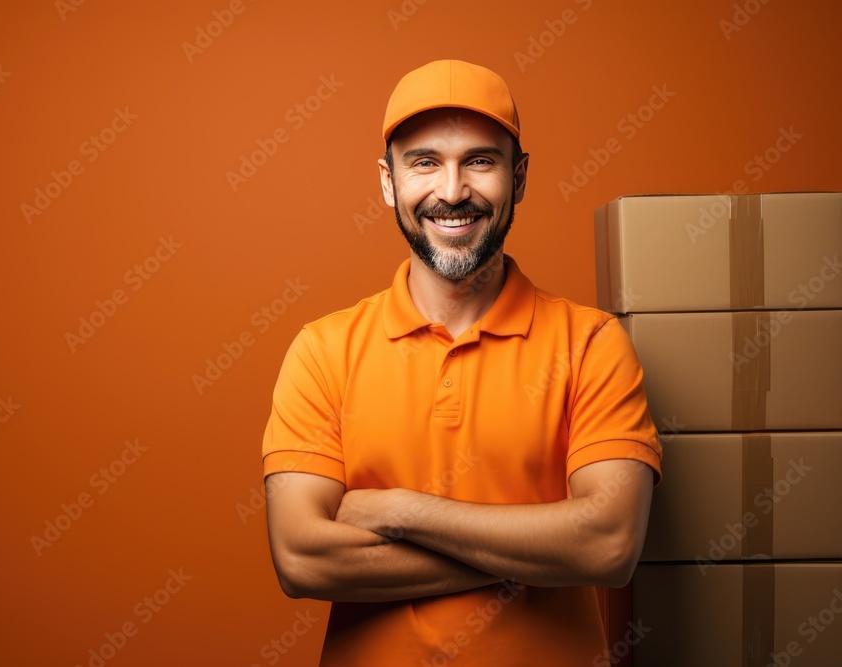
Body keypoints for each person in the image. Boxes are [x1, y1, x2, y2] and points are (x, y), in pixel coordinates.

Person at [260, 59, 662, 666]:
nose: (451, 192)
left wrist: (402, 511)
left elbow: (607, 548)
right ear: (388, 181)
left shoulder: (591, 343)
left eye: (480, 160)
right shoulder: (323, 350)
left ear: (519, 178)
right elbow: (301, 559)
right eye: (425, 162)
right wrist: (538, 551)